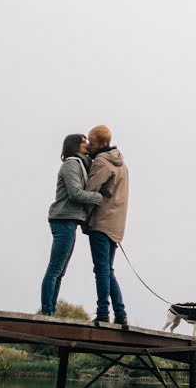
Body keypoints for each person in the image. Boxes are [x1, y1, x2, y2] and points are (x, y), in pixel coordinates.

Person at [40, 134, 104, 316]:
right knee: (55, 268)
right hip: (63, 219)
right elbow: (75, 193)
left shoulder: (82, 163)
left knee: (60, 270)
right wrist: (99, 198)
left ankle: (50, 311)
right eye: (83, 141)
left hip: (70, 220)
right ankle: (47, 313)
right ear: (75, 145)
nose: (87, 144)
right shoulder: (71, 164)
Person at [84, 124, 130, 325]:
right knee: (107, 269)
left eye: (91, 142)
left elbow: (90, 191)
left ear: (102, 143)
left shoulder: (102, 162)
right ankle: (120, 313)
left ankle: (103, 312)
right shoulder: (122, 164)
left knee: (101, 269)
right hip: (116, 223)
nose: (88, 145)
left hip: (101, 221)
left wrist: (84, 220)